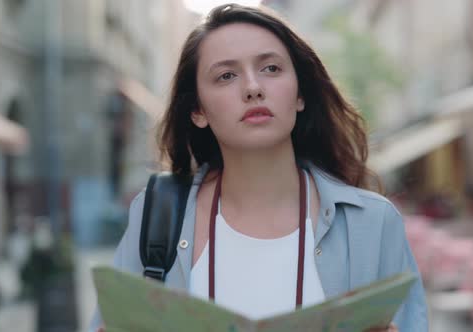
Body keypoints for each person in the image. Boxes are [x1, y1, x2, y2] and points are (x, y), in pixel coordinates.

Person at [90, 4, 427, 331]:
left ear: (300, 94)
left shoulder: (373, 223)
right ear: (197, 111)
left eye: (271, 69)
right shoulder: (157, 216)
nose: (253, 88)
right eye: (226, 76)